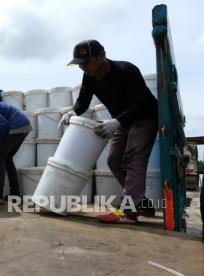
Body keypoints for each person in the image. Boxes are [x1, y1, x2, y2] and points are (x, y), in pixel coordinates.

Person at [59, 39, 158, 224]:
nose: (83, 67)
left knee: (133, 158)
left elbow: (141, 103)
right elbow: (84, 100)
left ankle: (129, 212)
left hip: (144, 117)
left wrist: (117, 122)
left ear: (102, 56)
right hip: (121, 121)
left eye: (86, 62)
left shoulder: (126, 71)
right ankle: (140, 201)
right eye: (79, 64)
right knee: (113, 160)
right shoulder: (89, 76)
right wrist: (74, 111)